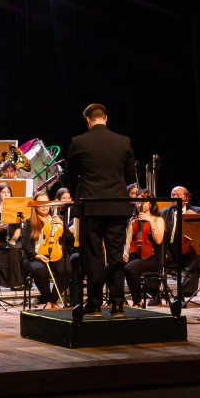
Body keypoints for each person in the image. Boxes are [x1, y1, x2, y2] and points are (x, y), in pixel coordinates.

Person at [62, 103, 136, 316]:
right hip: (116, 207)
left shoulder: (78, 141)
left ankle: (94, 304)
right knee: (115, 255)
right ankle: (118, 304)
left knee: (93, 256)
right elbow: (130, 178)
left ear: (88, 120)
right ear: (106, 118)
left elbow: (69, 176)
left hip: (90, 207)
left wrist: (79, 197)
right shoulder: (124, 142)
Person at [21, 190, 75, 309]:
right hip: (36, 256)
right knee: (40, 270)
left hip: (56, 252)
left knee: (66, 270)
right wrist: (36, 255)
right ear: (35, 206)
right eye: (41, 203)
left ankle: (51, 301)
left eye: (46, 203)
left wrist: (62, 225)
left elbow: (71, 240)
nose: (45, 207)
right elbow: (25, 244)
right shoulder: (30, 222)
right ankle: (50, 301)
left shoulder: (58, 218)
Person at [124, 192, 165, 307]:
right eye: (138, 202)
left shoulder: (158, 220)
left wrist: (150, 221)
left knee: (130, 268)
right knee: (111, 267)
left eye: (143, 201)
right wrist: (125, 252)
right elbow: (128, 241)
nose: (140, 204)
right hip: (135, 255)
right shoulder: (133, 221)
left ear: (151, 204)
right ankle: (119, 299)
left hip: (151, 259)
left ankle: (137, 301)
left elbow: (158, 240)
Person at [161, 185, 200, 299]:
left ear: (186, 198)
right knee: (156, 256)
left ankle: (184, 293)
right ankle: (155, 293)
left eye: (177, 195)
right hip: (170, 250)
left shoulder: (197, 211)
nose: (174, 198)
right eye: (172, 195)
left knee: (197, 257)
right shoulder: (164, 213)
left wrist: (196, 218)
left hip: (188, 250)